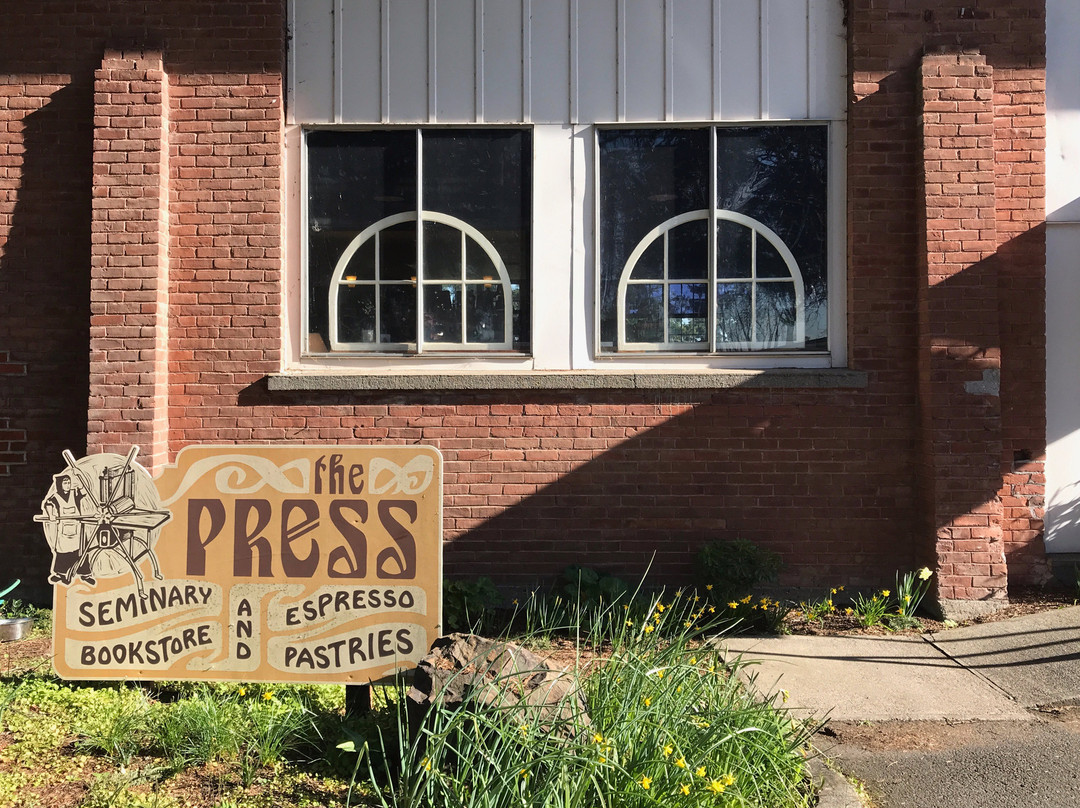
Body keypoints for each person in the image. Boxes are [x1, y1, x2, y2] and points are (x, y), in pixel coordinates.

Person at [41, 472, 95, 585]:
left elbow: (85, 491)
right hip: (64, 530)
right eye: (65, 483)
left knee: (81, 551)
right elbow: (48, 504)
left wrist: (79, 477)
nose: (67, 485)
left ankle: (85, 574)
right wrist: (51, 515)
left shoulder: (74, 493)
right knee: (63, 552)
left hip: (77, 529)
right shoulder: (55, 497)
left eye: (69, 482)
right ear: (60, 484)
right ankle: (60, 574)